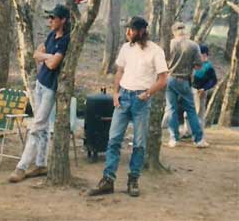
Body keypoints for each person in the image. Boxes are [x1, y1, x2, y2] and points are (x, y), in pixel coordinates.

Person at [88, 16, 168, 197]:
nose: (128, 32)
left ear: (141, 31)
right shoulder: (126, 48)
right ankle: (108, 180)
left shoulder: (156, 51)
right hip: (123, 96)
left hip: (141, 99)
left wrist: (147, 93)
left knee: (139, 143)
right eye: (127, 29)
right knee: (113, 140)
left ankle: (133, 180)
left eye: (131, 29)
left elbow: (163, 79)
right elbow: (120, 71)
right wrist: (115, 93)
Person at [8, 4, 71, 183]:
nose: (50, 21)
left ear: (63, 20)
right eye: (49, 18)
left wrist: (47, 57)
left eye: (53, 18)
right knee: (41, 127)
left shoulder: (65, 40)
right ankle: (40, 164)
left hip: (51, 87)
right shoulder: (52, 35)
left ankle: (21, 167)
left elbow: (52, 64)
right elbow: (36, 54)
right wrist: (48, 56)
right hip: (40, 84)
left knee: (36, 126)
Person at [164, 22, 209, 148]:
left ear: (174, 32)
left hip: (170, 78)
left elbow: (163, 60)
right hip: (185, 80)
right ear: (185, 31)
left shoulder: (170, 44)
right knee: (190, 110)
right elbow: (199, 65)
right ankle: (198, 139)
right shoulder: (193, 45)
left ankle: (174, 139)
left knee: (171, 109)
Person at [181, 44, 217, 138]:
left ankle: (199, 134)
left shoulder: (208, 67)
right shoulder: (194, 65)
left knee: (199, 114)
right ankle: (187, 132)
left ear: (205, 55)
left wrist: (204, 88)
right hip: (191, 90)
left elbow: (213, 81)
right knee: (187, 112)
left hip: (201, 92)